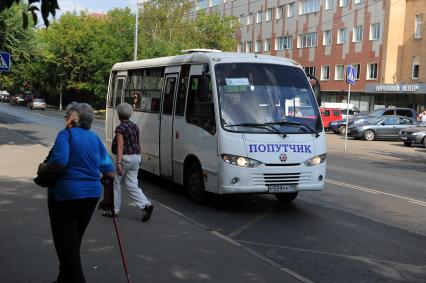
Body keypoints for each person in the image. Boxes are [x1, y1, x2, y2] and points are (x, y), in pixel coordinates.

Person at [47, 102, 114, 283]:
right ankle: (63, 280)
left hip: (65, 195)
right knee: (73, 240)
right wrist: (108, 199)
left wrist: (44, 167)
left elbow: (60, 160)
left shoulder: (65, 135)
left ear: (70, 118)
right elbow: (109, 171)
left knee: (66, 244)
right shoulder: (95, 139)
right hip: (91, 195)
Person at [105, 102, 154, 221]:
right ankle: (146, 205)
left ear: (118, 114)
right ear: (130, 114)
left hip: (125, 158)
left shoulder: (120, 128)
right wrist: (139, 157)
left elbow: (120, 146)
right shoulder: (135, 126)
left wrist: (118, 163)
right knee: (132, 184)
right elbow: (137, 143)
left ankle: (114, 210)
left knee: (115, 183)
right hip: (136, 157)